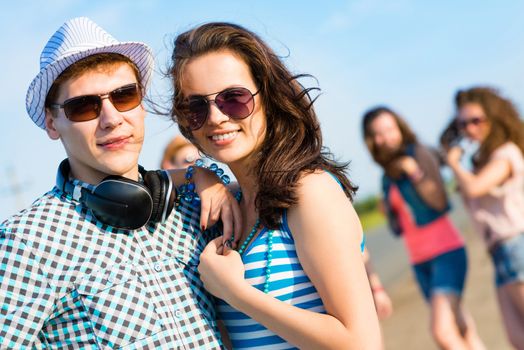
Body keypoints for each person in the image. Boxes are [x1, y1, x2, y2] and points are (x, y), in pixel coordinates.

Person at [0, 17, 241, 348]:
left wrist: (200, 173)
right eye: (83, 106)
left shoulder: (193, 206)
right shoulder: (29, 242)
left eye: (124, 95)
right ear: (52, 123)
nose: (111, 119)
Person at [168, 22, 382, 349]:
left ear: (267, 95)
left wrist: (236, 294)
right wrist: (199, 174)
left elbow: (361, 343)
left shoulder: (309, 192)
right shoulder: (232, 201)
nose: (215, 117)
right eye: (195, 106)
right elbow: (135, 180)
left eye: (233, 99)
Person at [362, 106, 485, 349]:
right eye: (376, 134)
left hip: (446, 251)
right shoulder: (387, 176)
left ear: (400, 128)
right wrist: (389, 212)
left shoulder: (418, 153)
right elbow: (399, 229)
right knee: (461, 327)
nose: (383, 138)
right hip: (419, 262)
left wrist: (416, 173)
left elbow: (440, 201)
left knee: (442, 331)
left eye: (388, 129)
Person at [442, 87, 524, 348]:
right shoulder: (481, 160)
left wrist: (454, 163)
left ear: (493, 118)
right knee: (516, 338)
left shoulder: (506, 153)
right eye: (463, 123)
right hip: (499, 252)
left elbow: (475, 187)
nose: (470, 128)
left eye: (476, 120)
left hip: (514, 246)